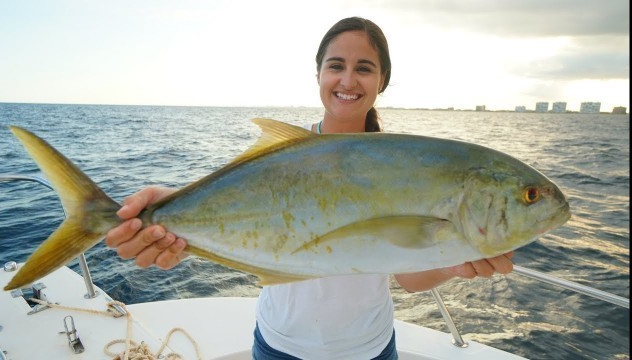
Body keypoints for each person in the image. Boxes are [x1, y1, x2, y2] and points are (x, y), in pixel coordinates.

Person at [105, 16, 514, 360]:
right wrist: (170, 209)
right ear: (318, 73)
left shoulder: (403, 165)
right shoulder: (284, 154)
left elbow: (407, 279)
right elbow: (227, 199)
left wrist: (451, 264)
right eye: (336, 65)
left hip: (368, 348)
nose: (348, 79)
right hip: (279, 345)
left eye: (365, 68)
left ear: (382, 80)